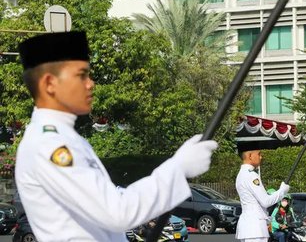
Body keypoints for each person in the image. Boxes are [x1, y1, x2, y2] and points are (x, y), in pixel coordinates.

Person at [15, 31, 218, 241]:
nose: (90, 83)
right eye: (81, 75)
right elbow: (116, 212)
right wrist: (178, 167)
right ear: (49, 84)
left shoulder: (68, 139)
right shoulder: (49, 145)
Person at [235, 141, 290, 242]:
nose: (261, 157)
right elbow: (266, 201)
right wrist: (282, 191)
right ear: (250, 156)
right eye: (259, 154)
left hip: (248, 227)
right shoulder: (252, 176)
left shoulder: (241, 174)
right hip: (255, 228)